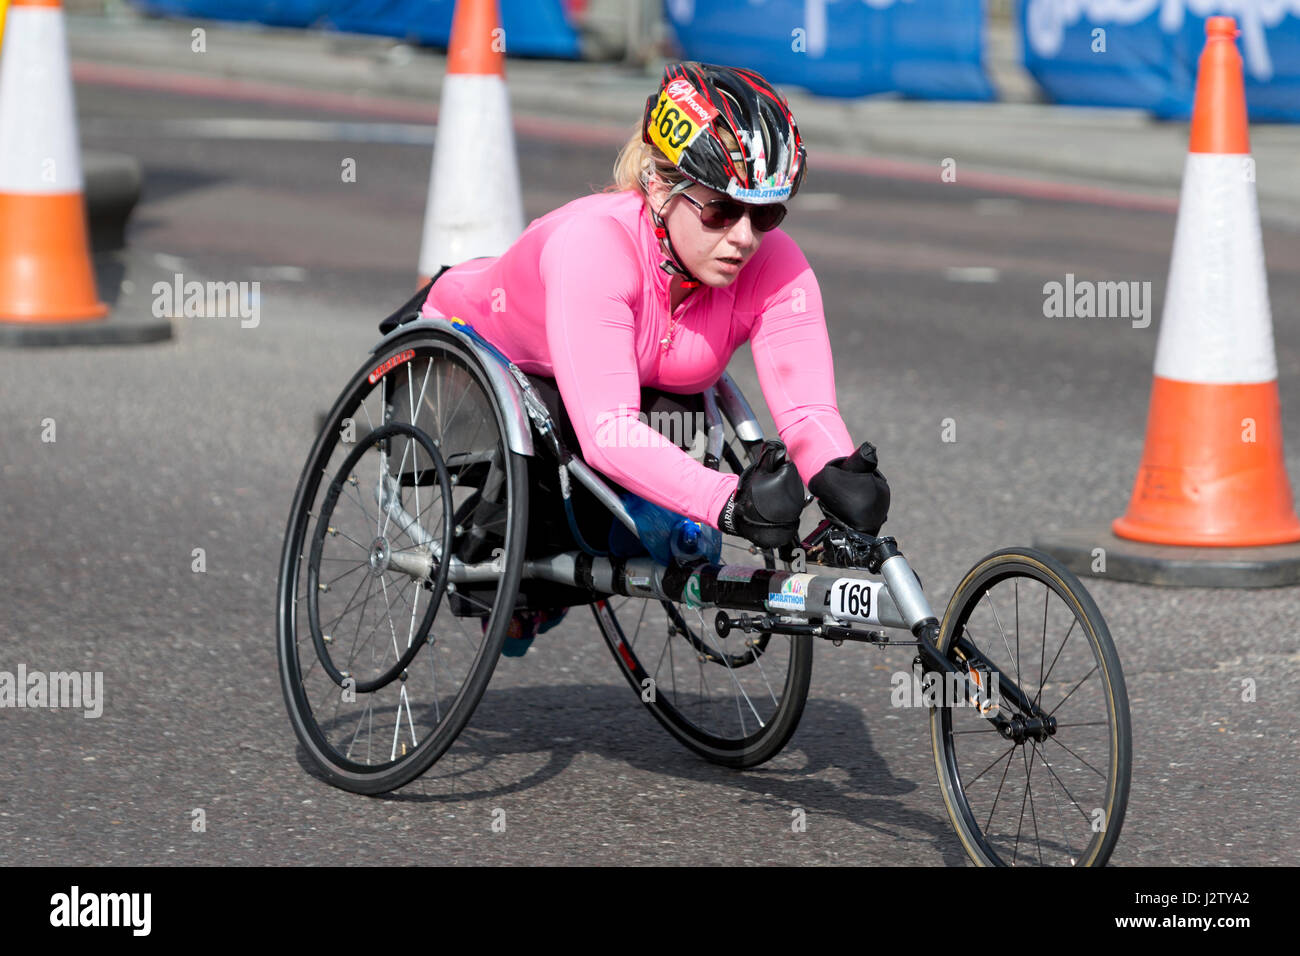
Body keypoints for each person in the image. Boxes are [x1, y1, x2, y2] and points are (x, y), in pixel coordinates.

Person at [419, 62, 889, 651]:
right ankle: (509, 554)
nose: (745, 237)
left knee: (683, 441)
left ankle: (600, 547)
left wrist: (843, 476)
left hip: (631, 384)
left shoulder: (774, 263)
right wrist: (729, 503)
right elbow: (607, 432)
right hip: (492, 358)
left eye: (765, 214)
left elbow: (807, 411)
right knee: (589, 460)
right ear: (662, 189)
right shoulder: (595, 247)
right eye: (721, 210)